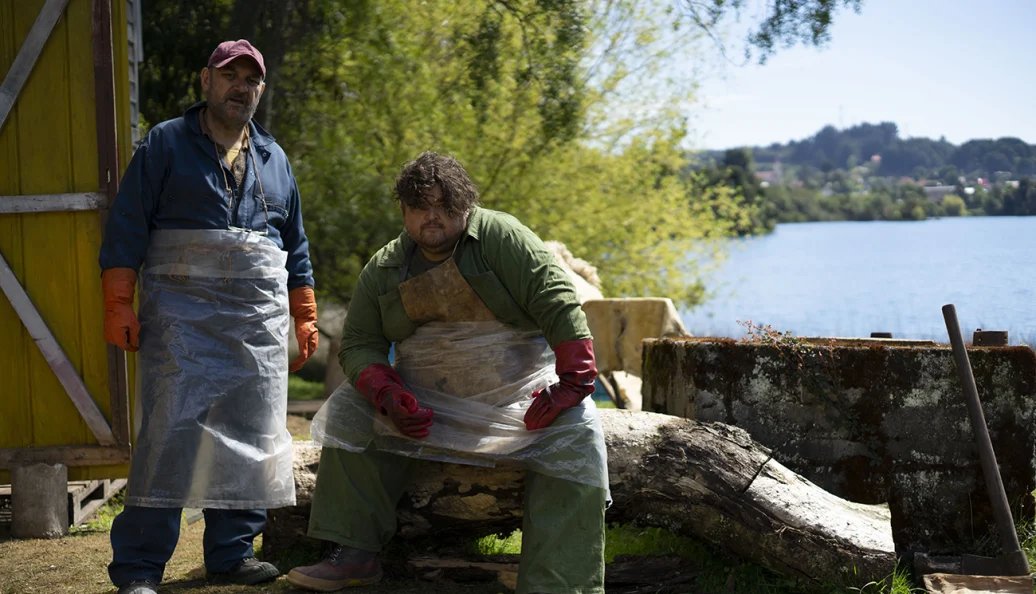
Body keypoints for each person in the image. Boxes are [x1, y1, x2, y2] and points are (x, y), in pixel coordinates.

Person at [286, 151, 608, 594]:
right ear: (403, 211)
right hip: (424, 405)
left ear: (466, 206)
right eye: (420, 207)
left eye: (444, 205)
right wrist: (386, 392)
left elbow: (556, 301)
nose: (432, 217)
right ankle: (353, 552)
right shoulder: (384, 267)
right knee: (348, 411)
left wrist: (573, 382)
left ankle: (560, 583)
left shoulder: (502, 237)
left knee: (581, 436)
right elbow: (361, 342)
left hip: (520, 401)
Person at [98, 39, 318, 594]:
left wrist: (305, 312)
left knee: (251, 429)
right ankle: (139, 568)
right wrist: (118, 302)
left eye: (251, 80)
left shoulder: (274, 157)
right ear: (206, 80)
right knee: (168, 434)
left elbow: (295, 244)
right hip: (179, 321)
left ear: (260, 90)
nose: (240, 87)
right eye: (230, 75)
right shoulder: (165, 143)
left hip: (256, 328)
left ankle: (231, 554)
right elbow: (127, 225)